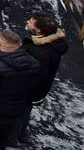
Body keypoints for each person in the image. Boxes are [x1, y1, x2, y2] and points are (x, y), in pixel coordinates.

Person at [14, 14, 68, 142]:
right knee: (24, 112)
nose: (27, 21)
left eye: (31, 22)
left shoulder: (40, 53)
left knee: (18, 114)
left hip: (27, 91)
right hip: (35, 91)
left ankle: (12, 138)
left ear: (39, 31)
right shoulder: (52, 45)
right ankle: (20, 134)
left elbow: (33, 77)